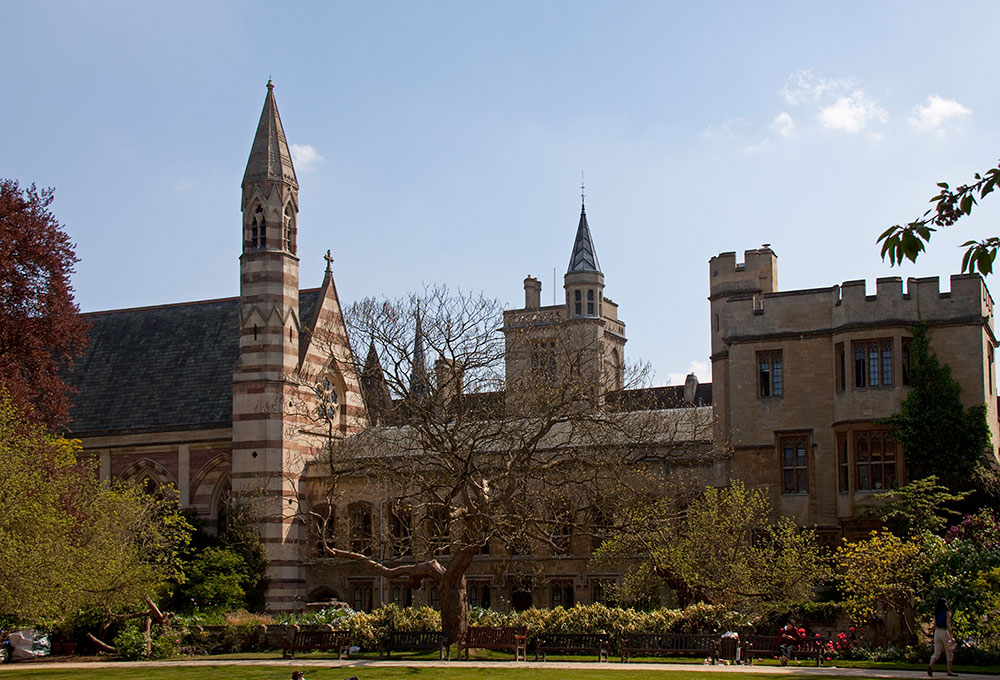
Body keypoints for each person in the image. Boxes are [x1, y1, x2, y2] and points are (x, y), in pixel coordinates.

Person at [928, 598, 957, 677]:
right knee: (949, 652)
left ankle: (931, 665)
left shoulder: (936, 613)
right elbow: (948, 625)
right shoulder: (947, 613)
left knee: (936, 652)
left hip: (937, 632)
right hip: (944, 632)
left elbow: (934, 624)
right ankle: (949, 671)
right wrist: (951, 637)